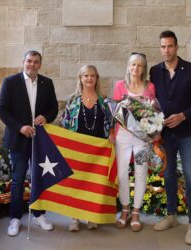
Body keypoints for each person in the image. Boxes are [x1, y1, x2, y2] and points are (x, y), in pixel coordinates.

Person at [150, 30, 191, 245]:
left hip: (188, 133)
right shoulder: (155, 72)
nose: (166, 50)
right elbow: (151, 100)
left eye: (170, 46)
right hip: (165, 135)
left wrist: (183, 115)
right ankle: (171, 216)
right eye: (163, 47)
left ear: (177, 47)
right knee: (169, 176)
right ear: (160, 48)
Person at [0, 50, 59, 236]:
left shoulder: (46, 83)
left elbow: (54, 108)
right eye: (29, 61)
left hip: (40, 140)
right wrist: (20, 127)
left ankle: (39, 215)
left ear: (40, 65)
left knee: (40, 179)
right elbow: (2, 110)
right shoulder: (10, 82)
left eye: (36, 62)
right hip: (18, 139)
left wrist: (46, 117)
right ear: (23, 62)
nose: (32, 64)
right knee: (18, 180)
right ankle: (15, 219)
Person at [60, 64, 113, 232]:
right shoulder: (72, 100)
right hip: (78, 149)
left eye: (93, 75)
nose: (89, 78)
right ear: (80, 78)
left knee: (94, 184)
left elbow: (111, 122)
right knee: (76, 183)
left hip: (98, 150)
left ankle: (91, 216)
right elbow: (65, 123)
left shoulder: (104, 100)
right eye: (86, 76)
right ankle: (74, 217)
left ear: (97, 79)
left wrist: (111, 134)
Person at [112, 53, 156, 232]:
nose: (135, 68)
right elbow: (115, 111)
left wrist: (153, 131)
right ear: (128, 66)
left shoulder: (150, 86)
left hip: (142, 137)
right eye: (132, 65)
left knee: (141, 173)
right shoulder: (120, 85)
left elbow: (153, 112)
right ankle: (125, 210)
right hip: (123, 135)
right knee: (122, 175)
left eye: (139, 65)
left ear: (144, 68)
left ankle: (136, 213)